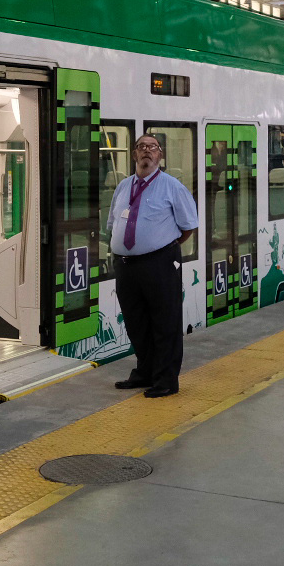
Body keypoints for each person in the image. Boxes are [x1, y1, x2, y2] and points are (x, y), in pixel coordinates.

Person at [107, 133, 198, 397]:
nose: (147, 151)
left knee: (165, 322)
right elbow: (113, 223)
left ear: (160, 155)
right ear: (134, 154)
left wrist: (161, 245)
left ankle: (166, 380)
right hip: (127, 266)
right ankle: (144, 373)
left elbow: (188, 227)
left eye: (153, 147)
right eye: (142, 147)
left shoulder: (172, 186)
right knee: (137, 322)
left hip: (159, 263)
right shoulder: (123, 187)